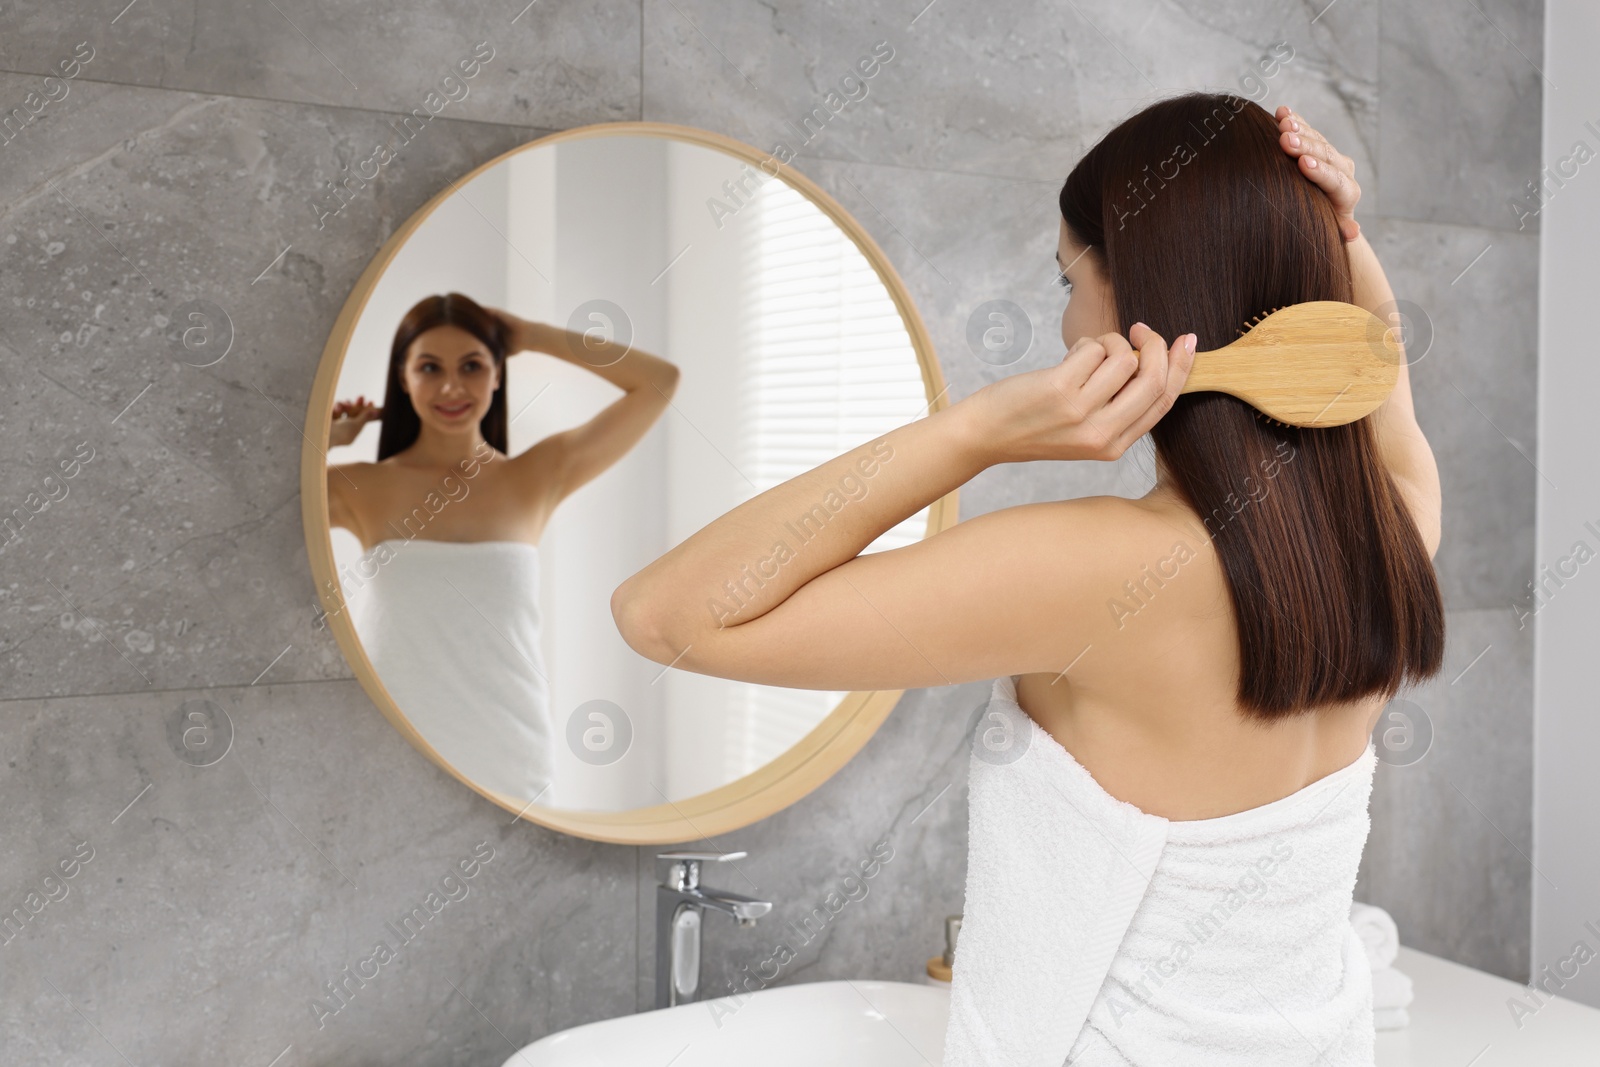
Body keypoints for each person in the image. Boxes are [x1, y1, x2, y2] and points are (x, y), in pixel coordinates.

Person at [610, 94, 1442, 1064]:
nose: (1062, 319)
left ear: (1136, 301)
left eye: (1066, 278)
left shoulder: (1105, 574)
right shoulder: (1391, 540)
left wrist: (974, 431)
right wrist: (1338, 234)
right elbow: (1381, 387)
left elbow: (664, 613)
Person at [327, 292, 680, 803]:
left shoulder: (536, 476)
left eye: (472, 365)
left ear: (498, 374)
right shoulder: (353, 486)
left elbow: (658, 383)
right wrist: (327, 438)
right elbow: (258, 506)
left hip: (508, 749)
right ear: (403, 378)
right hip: (387, 747)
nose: (452, 386)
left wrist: (534, 335)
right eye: (430, 367)